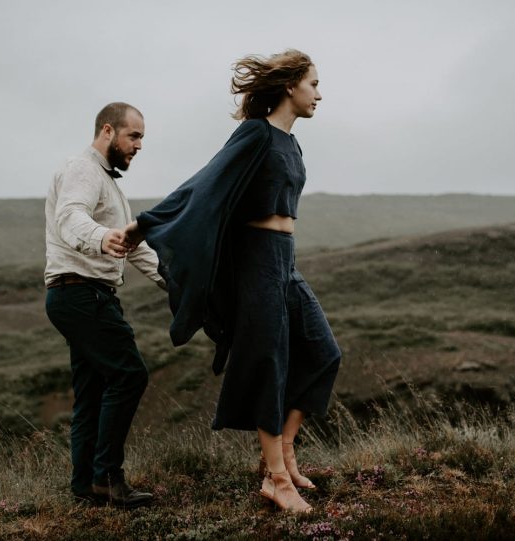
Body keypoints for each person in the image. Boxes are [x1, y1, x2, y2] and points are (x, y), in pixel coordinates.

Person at [121, 50, 341, 513]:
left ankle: (283, 452)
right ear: (289, 87)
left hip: (285, 259)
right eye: (313, 84)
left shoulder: (292, 144)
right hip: (256, 260)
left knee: (323, 351)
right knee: (266, 362)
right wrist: (143, 225)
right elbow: (204, 183)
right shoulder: (256, 134)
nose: (319, 94)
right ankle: (277, 480)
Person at [44, 102, 166, 508]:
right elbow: (69, 216)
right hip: (81, 293)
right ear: (108, 131)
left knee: (93, 391)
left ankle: (85, 486)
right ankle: (108, 477)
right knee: (129, 376)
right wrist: (100, 238)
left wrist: (177, 284)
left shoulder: (109, 183)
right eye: (134, 136)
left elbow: (135, 248)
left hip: (79, 295)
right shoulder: (83, 169)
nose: (139, 146)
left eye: (142, 138)